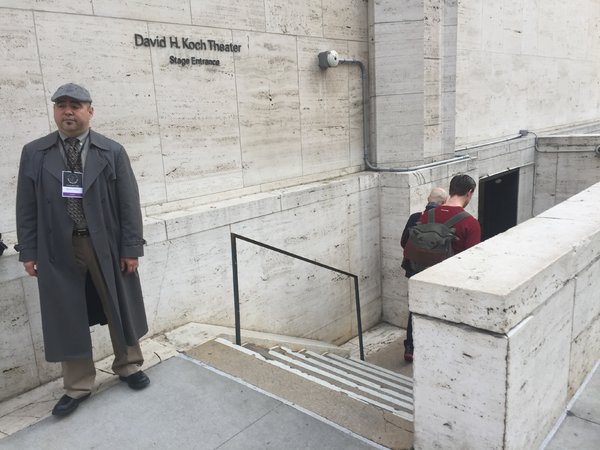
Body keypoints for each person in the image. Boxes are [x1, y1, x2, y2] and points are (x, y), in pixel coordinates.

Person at [15, 83, 150, 417]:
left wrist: (131, 248)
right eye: (61, 105)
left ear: (90, 111)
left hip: (106, 244)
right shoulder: (35, 153)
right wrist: (29, 251)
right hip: (57, 247)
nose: (68, 111)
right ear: (54, 111)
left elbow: (129, 204)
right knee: (66, 313)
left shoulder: (112, 151)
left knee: (118, 303)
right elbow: (26, 207)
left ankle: (129, 365)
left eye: (75, 105)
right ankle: (77, 386)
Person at [402, 174, 481, 363]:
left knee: (417, 310)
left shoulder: (424, 215)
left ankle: (412, 348)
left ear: (451, 190)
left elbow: (408, 243)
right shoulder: (470, 223)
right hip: (448, 280)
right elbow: (471, 261)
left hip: (420, 272)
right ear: (469, 193)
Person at [400, 187, 448, 362]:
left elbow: (403, 242)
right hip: (436, 273)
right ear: (444, 203)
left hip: (414, 270)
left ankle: (410, 347)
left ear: (428, 199)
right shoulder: (446, 221)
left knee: (414, 308)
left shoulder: (415, 217)